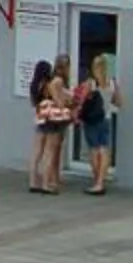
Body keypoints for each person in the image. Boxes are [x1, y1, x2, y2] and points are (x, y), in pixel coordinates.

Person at [28, 57, 72, 193]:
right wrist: (64, 103)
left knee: (36, 152)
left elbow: (34, 103)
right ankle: (46, 184)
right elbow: (58, 101)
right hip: (52, 119)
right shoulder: (51, 82)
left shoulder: (35, 85)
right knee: (49, 151)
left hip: (41, 117)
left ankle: (33, 182)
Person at [78, 52, 118, 194]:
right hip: (105, 118)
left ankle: (97, 182)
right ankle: (101, 181)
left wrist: (76, 114)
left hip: (92, 120)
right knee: (104, 149)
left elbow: (81, 101)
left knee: (94, 150)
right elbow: (118, 101)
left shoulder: (91, 83)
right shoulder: (112, 82)